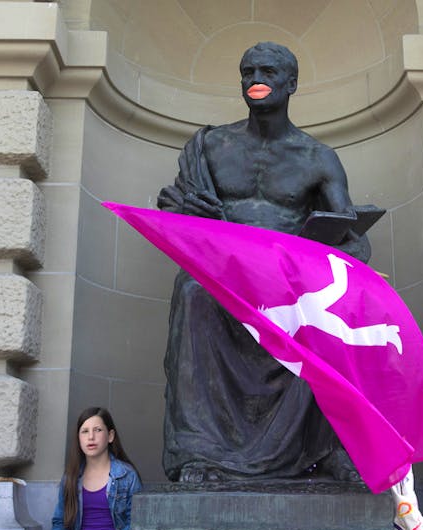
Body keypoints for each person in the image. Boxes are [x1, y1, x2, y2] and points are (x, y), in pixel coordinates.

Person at [156, 41, 369, 483]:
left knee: (333, 312)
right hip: (221, 274)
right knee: (192, 292)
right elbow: (175, 215)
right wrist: (186, 213)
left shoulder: (318, 158)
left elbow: (353, 240)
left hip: (288, 281)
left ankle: (325, 448)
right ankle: (201, 452)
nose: (257, 79)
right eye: (248, 71)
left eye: (268, 72)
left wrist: (334, 249)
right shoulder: (211, 146)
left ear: (290, 83)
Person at [52, 407, 142, 530]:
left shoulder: (127, 475)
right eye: (85, 431)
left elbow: (136, 525)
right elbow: (58, 523)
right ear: (79, 438)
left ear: (110, 436)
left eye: (98, 430)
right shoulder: (70, 477)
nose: (91, 437)